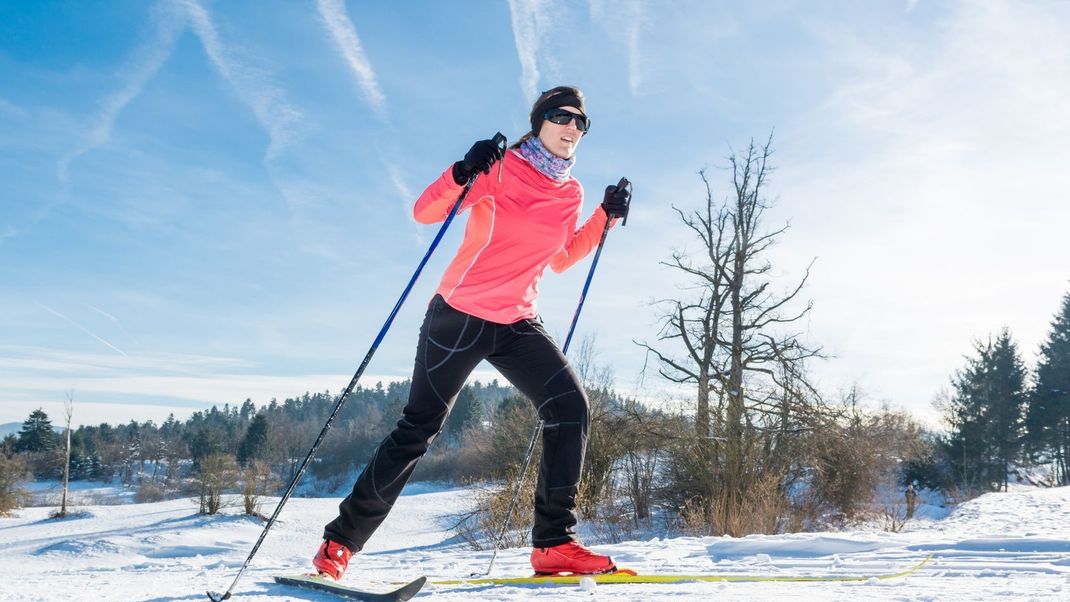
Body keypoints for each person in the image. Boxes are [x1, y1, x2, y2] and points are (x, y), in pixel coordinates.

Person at [312, 86, 631, 580]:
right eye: (562, 117)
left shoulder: (571, 192)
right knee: (418, 428)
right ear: (539, 121)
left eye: (580, 123)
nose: (572, 128)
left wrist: (603, 219)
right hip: (459, 315)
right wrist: (463, 171)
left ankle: (553, 544)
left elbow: (562, 258)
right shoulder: (499, 168)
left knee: (570, 408)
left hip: (518, 321)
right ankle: (339, 545)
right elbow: (426, 212)